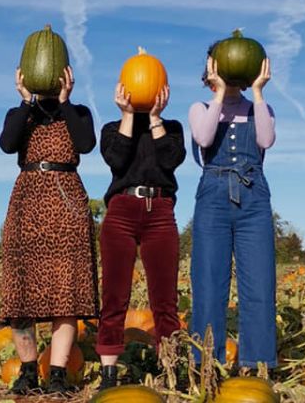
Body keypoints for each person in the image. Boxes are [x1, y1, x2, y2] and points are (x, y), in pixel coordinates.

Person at [0, 65, 99, 395]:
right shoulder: (20, 114)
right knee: (21, 291)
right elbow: (7, 144)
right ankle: (27, 372)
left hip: (66, 201)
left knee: (65, 293)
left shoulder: (78, 112)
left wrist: (67, 101)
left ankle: (57, 375)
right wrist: (26, 101)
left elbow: (85, 145)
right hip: (27, 201)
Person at [188, 52, 277, 370]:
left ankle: (257, 364)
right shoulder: (200, 108)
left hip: (254, 198)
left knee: (259, 284)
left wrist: (257, 91)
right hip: (213, 198)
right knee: (209, 284)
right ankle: (206, 364)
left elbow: (266, 139)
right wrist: (220, 92)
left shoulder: (260, 109)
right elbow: (204, 137)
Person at [96, 82, 186, 390]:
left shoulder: (171, 128)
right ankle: (108, 374)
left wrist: (157, 118)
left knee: (165, 300)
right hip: (121, 210)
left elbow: (170, 161)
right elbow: (117, 160)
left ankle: (171, 369)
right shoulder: (112, 128)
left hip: (160, 212)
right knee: (114, 297)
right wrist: (127, 114)